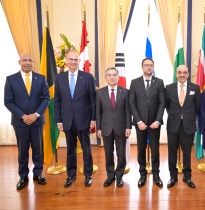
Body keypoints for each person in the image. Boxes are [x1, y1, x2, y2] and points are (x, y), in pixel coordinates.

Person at [4, 53, 50, 190]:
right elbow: (8, 102)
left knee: (38, 149)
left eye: (30, 60)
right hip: (20, 122)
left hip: (37, 121)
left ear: (33, 62)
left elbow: (46, 98)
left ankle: (38, 173)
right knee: (22, 150)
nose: (27, 62)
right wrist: (23, 116)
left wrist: (36, 114)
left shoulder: (41, 79)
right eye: (25, 60)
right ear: (19, 62)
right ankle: (23, 176)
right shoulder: (11, 79)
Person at [54, 50, 96, 187]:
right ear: (66, 61)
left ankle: (88, 174)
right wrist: (58, 120)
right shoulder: (59, 78)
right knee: (70, 149)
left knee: (86, 148)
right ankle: (71, 175)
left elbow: (92, 101)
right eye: (70, 59)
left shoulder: (88, 77)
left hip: (83, 119)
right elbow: (58, 101)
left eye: (75, 60)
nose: (73, 62)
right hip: (67, 120)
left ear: (79, 62)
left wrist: (93, 118)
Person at [129, 58, 165, 188]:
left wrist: (157, 120)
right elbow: (132, 103)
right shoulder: (134, 82)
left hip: (155, 123)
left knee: (155, 149)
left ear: (153, 67)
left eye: (151, 65)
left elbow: (162, 103)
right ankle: (142, 174)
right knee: (141, 149)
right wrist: (138, 121)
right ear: (142, 67)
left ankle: (156, 174)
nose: (149, 67)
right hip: (140, 123)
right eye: (146, 65)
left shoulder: (159, 82)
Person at [165, 65, 201, 189]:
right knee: (172, 152)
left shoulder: (195, 88)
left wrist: (187, 116)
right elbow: (167, 106)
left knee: (187, 152)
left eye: (184, 72)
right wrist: (176, 115)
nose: (182, 75)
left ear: (188, 74)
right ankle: (173, 177)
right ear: (176, 73)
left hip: (188, 125)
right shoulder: (169, 88)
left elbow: (197, 106)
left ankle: (187, 176)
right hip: (173, 125)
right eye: (179, 72)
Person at [96, 67, 131, 188]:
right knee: (108, 153)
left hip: (121, 127)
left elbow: (128, 111)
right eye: (109, 75)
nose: (112, 77)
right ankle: (110, 176)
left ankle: (119, 176)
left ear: (118, 77)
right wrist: (98, 128)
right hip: (106, 128)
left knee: (121, 153)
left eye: (114, 75)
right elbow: (98, 112)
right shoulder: (100, 92)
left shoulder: (125, 92)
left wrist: (128, 126)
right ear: (106, 78)